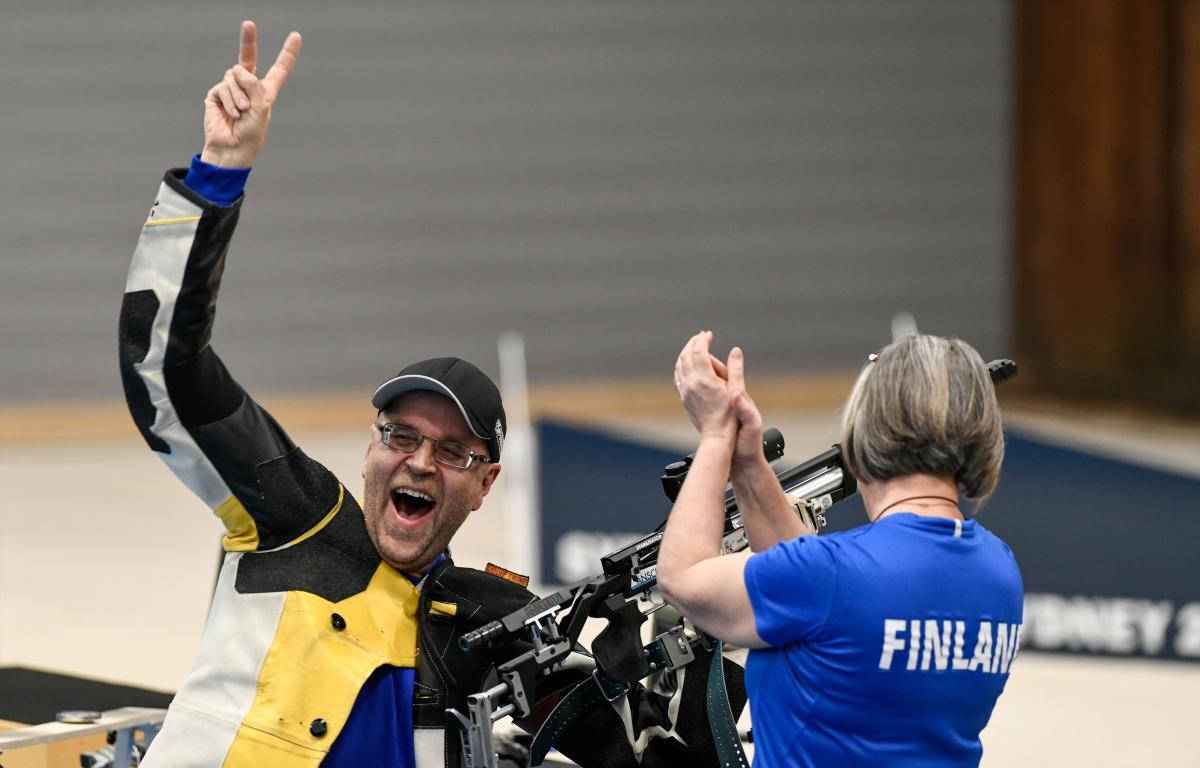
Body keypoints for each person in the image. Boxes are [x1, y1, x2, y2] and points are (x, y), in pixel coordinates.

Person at [120, 21, 741, 768]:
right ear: (371, 447)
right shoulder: (291, 516)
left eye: (451, 451)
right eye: (401, 436)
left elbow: (654, 744)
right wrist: (218, 171)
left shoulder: (492, 624)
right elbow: (165, 369)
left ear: (486, 485)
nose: (418, 462)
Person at [657, 331, 1024, 766]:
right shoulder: (999, 571)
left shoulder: (832, 577)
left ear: (865, 431)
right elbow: (817, 601)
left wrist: (716, 437)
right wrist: (748, 463)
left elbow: (682, 577)